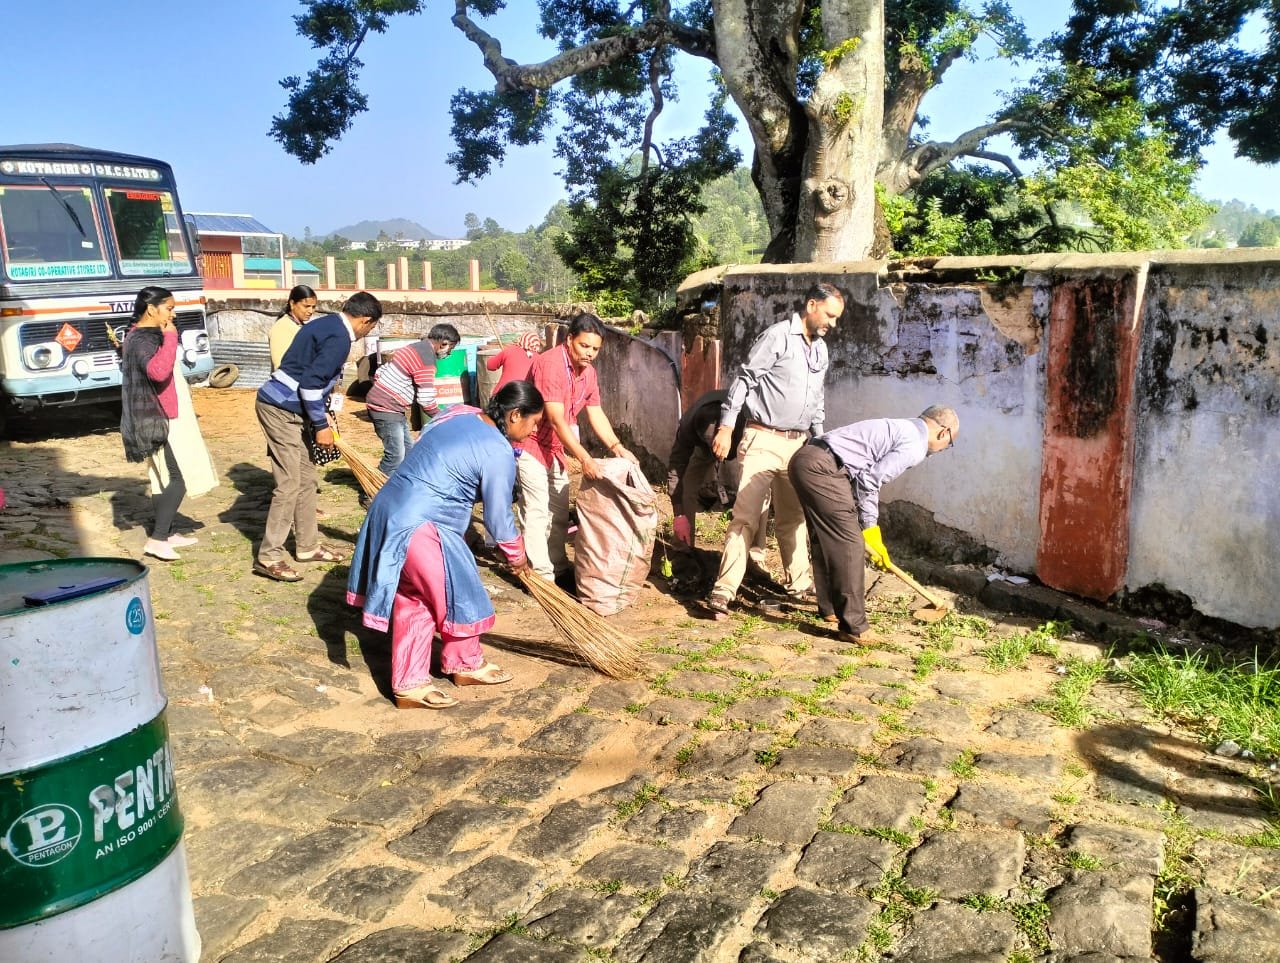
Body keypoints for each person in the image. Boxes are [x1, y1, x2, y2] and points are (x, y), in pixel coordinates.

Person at [346, 381, 545, 708]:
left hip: (389, 511)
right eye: (533, 422)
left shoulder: (459, 415)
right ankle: (465, 662)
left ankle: (409, 684)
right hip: (423, 526)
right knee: (459, 591)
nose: (533, 429)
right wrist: (518, 557)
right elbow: (498, 519)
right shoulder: (498, 450)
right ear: (514, 415)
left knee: (416, 598)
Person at [705, 282, 843, 617]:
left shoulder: (820, 349)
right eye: (829, 315)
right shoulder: (777, 337)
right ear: (811, 305)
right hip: (763, 437)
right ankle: (723, 591)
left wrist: (820, 441)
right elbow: (745, 379)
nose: (832, 324)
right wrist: (726, 427)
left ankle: (799, 583)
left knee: (793, 517)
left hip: (799, 443)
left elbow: (817, 399)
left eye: (837, 319)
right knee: (746, 517)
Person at [789, 405, 959, 644]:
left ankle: (828, 608)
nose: (943, 449)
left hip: (805, 459)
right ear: (944, 433)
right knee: (850, 545)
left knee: (825, 536)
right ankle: (854, 626)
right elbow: (869, 482)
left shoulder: (901, 427)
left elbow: (862, 477)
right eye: (949, 444)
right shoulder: (915, 445)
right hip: (823, 468)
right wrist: (870, 529)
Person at [254, 290, 382, 582]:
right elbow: (310, 384)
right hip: (278, 409)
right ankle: (269, 556)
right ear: (365, 321)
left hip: (293, 410)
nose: (368, 332)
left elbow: (302, 371)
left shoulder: (324, 324)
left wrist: (320, 416)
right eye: (372, 327)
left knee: (306, 478)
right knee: (288, 483)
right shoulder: (339, 338)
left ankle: (307, 546)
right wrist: (321, 426)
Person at [520, 313, 637, 584]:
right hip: (530, 442)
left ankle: (558, 567)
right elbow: (557, 420)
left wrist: (617, 447)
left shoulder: (589, 374)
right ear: (570, 339)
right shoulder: (550, 365)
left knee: (559, 510)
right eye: (585, 346)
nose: (590, 353)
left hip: (557, 447)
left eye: (595, 349)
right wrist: (585, 458)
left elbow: (595, 413)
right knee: (537, 510)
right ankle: (541, 579)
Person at [120, 286, 217, 561]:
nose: (173, 314)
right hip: (158, 417)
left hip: (164, 413)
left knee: (161, 477)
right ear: (152, 309)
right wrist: (171, 337)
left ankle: (169, 530)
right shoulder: (141, 339)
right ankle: (158, 538)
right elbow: (158, 372)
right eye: (170, 309)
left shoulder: (145, 335)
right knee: (177, 477)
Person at [364, 323, 460, 475]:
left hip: (392, 407)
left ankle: (403, 487)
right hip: (385, 408)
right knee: (396, 456)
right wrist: (443, 416)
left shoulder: (415, 347)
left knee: (409, 453)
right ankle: (372, 493)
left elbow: (380, 372)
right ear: (444, 343)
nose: (449, 353)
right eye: (450, 349)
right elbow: (426, 401)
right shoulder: (426, 360)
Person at [269, 284, 319, 370]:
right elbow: (280, 365)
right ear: (292, 304)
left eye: (313, 307)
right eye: (306, 306)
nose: (310, 311)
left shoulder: (299, 326)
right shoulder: (282, 328)